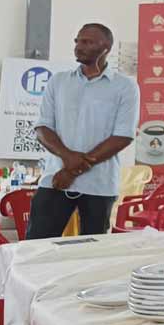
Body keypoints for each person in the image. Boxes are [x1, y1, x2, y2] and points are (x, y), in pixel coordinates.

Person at [28, 23, 139, 238]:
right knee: (35, 248)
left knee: (93, 253)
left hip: (99, 185)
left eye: (87, 42)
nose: (79, 46)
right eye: (77, 41)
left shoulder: (125, 86)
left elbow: (123, 136)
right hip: (54, 182)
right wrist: (67, 158)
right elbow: (42, 128)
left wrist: (71, 170)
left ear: (105, 47)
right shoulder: (58, 81)